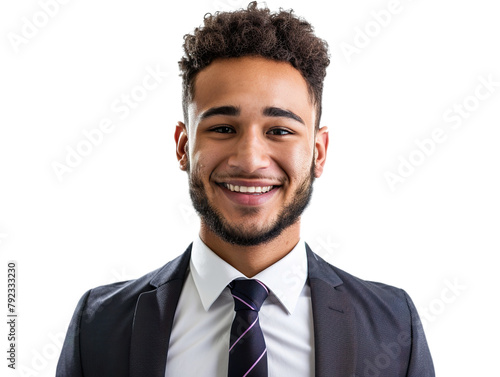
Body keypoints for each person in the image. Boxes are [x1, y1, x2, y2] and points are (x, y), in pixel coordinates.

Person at [56, 2, 434, 376]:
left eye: (280, 131)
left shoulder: (394, 325)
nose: (251, 160)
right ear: (182, 146)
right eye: (222, 128)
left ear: (318, 152)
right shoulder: (98, 323)